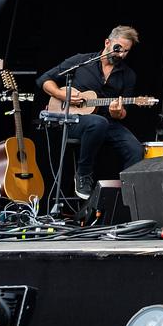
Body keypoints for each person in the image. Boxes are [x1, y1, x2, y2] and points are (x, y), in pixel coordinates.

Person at [37, 26, 144, 199]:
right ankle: (83, 174)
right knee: (97, 123)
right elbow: (44, 79)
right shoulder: (81, 61)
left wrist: (117, 112)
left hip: (107, 122)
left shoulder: (128, 75)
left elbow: (123, 113)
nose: (121, 55)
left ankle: (130, 197)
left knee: (136, 149)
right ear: (107, 43)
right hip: (71, 119)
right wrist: (61, 94)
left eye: (126, 51)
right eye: (118, 49)